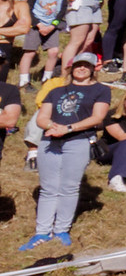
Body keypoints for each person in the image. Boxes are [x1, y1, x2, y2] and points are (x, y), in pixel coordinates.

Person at [23, 56, 113, 249]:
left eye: (86, 66)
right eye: (78, 65)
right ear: (71, 68)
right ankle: (42, 231)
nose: (81, 69)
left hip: (78, 141)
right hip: (50, 140)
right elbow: (42, 117)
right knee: (48, 188)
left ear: (93, 68)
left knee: (69, 187)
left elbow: (98, 117)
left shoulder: (101, 90)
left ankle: (61, 229)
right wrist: (51, 126)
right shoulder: (55, 91)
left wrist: (68, 128)